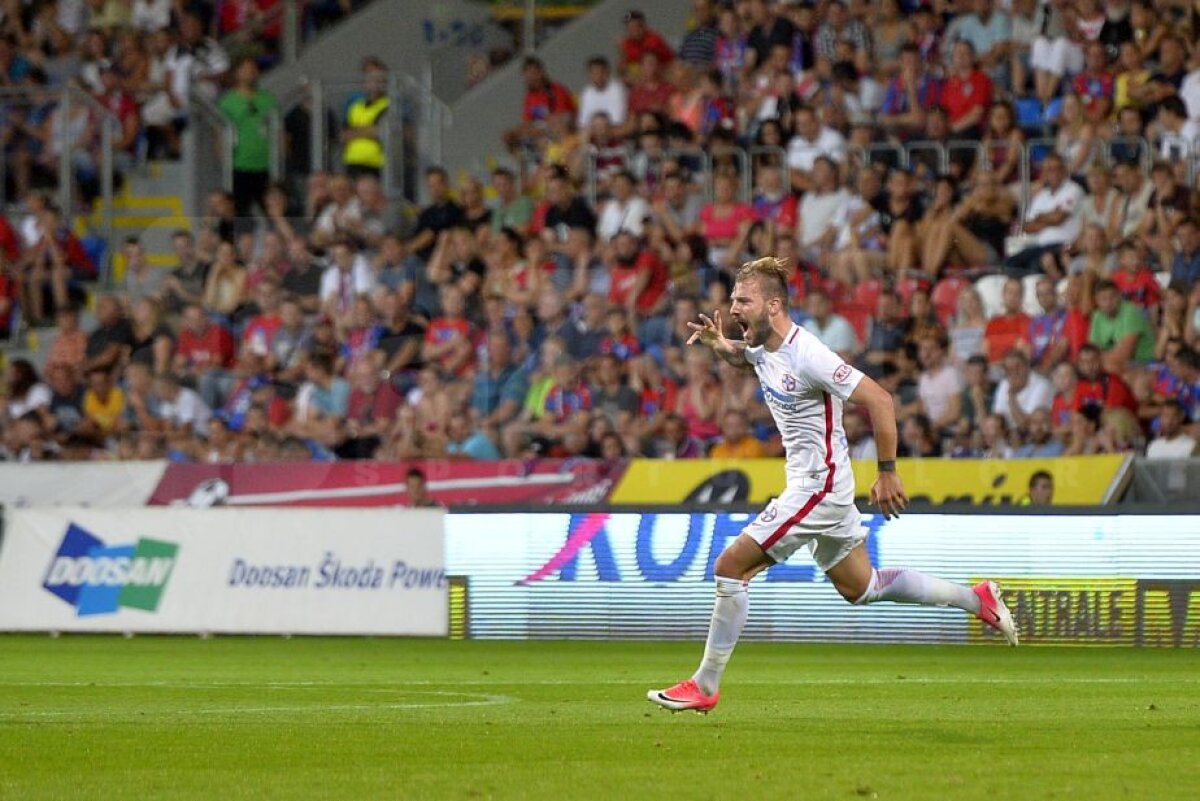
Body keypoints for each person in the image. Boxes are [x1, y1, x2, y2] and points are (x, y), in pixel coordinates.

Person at [648, 257, 1018, 714]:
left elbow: (880, 400)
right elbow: (749, 360)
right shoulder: (763, 346)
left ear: (775, 305)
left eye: (743, 300)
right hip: (824, 486)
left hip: (817, 488)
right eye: (732, 300)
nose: (733, 307)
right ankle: (974, 597)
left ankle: (705, 685)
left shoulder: (811, 355)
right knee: (862, 588)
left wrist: (887, 470)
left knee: (730, 566)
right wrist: (718, 343)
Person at [217, 56, 278, 219]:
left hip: (265, 164)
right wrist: (222, 154)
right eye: (246, 69)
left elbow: (277, 129)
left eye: (253, 69)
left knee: (271, 211)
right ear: (237, 73)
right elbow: (218, 131)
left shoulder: (268, 99)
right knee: (239, 212)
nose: (250, 73)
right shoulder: (227, 102)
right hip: (239, 164)